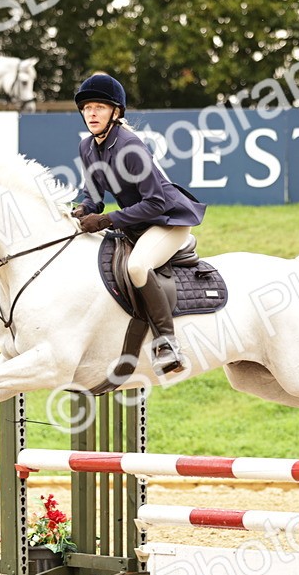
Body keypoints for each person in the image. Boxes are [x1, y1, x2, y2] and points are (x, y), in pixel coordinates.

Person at [71, 73, 207, 375]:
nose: (91, 114)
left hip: (167, 220)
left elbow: (156, 202)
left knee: (136, 266)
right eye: (87, 108)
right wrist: (80, 211)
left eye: (99, 108)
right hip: (138, 222)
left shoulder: (129, 146)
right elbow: (93, 197)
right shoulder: (88, 147)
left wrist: (106, 219)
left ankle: (167, 344)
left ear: (115, 112)